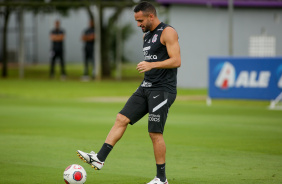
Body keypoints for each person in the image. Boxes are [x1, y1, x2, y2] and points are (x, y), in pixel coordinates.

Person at [77, 1, 181, 184]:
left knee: (154, 133)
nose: (138, 24)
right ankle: (99, 158)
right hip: (146, 86)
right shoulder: (146, 37)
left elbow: (176, 60)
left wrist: (152, 65)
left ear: (151, 16)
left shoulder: (168, 32)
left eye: (140, 20)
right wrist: (150, 68)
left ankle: (161, 179)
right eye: (136, 20)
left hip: (163, 90)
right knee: (121, 118)